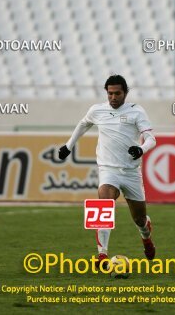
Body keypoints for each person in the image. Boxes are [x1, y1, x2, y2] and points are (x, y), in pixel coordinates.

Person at [58, 75, 157, 266]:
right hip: (107, 169)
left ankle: (146, 235)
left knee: (139, 219)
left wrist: (141, 149)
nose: (113, 97)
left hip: (130, 172)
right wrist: (68, 146)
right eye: (110, 93)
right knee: (103, 205)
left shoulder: (136, 111)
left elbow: (151, 138)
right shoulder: (97, 110)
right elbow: (83, 124)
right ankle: (102, 255)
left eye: (117, 93)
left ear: (125, 93)